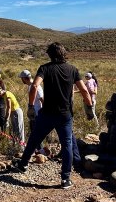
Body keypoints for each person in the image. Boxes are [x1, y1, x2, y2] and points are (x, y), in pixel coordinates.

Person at [13, 42, 95, 189]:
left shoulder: (45, 68)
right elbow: (83, 90)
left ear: (50, 55)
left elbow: (35, 86)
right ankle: (65, 178)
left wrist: (31, 106)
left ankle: (23, 164)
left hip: (47, 114)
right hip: (65, 115)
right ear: (63, 53)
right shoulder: (73, 69)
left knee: (34, 139)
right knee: (67, 144)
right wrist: (89, 108)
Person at [20, 69, 44, 140]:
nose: (21, 80)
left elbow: (42, 100)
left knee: (36, 134)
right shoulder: (30, 86)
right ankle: (39, 149)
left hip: (37, 114)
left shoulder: (36, 86)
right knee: (34, 133)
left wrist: (42, 114)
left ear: (24, 78)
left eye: (21, 78)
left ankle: (41, 150)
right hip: (34, 114)